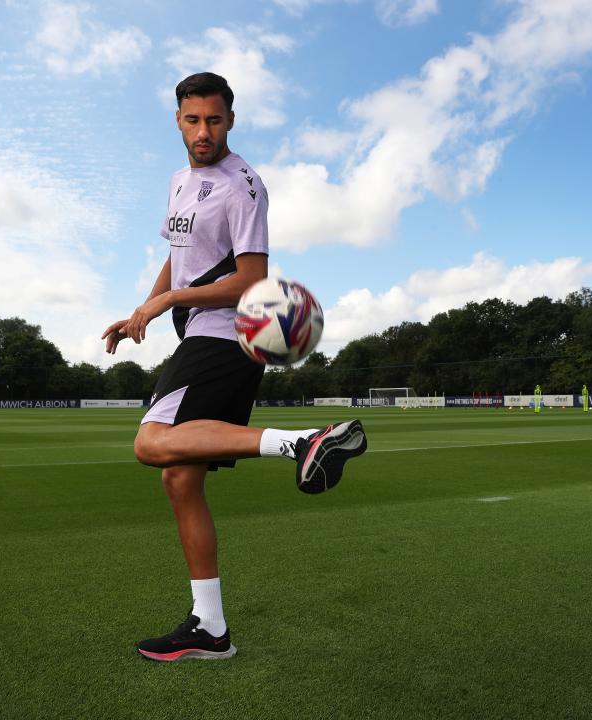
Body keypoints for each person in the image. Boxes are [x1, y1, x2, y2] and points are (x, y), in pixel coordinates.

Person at [101, 72, 367, 662]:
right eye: (193, 120)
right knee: (180, 476)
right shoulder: (177, 181)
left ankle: (303, 443)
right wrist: (143, 309)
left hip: (227, 334)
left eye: (215, 120)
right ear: (177, 120)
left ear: (231, 120)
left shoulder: (242, 187)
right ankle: (210, 629)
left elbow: (250, 279)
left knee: (151, 444)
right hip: (196, 330)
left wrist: (170, 302)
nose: (204, 131)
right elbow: (180, 261)